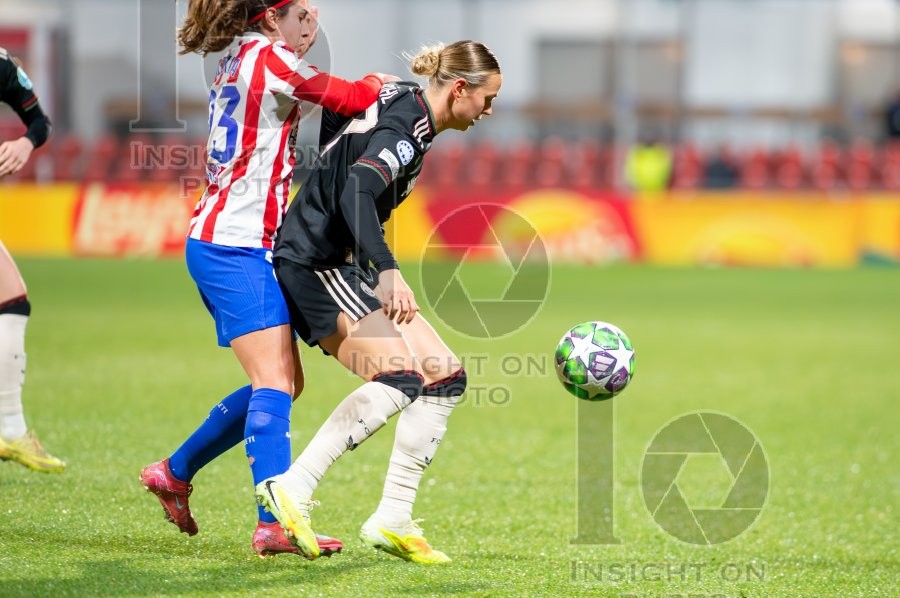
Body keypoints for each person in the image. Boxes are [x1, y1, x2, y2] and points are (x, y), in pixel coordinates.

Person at [138, 0, 391, 558]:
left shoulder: (241, 60)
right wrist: (380, 80)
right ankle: (272, 523)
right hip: (233, 246)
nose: (311, 24)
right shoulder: (269, 59)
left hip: (232, 242)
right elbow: (352, 97)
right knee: (276, 384)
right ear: (271, 18)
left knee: (282, 384)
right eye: (302, 14)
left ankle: (174, 472)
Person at [255, 40, 502, 564]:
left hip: (339, 259)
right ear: (460, 88)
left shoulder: (406, 101)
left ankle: (392, 518)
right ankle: (292, 488)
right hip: (316, 261)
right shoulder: (408, 133)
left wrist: (327, 158)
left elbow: (346, 113)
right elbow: (357, 192)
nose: (489, 110)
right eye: (487, 98)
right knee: (400, 378)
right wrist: (388, 271)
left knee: (444, 377)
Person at [0, 48, 65, 473]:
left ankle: (10, 426)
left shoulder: (4, 66)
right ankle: (10, 426)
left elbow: (40, 121)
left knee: (11, 300)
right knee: (11, 301)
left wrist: (25, 142)